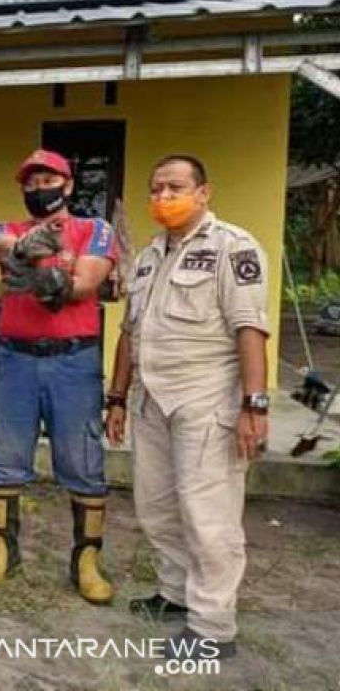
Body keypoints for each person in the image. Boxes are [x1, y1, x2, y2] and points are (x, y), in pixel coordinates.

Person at [105, 154, 269, 659]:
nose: (162, 196)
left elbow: (250, 329)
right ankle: (176, 594)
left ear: (204, 193)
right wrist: (116, 397)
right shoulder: (152, 254)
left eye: (175, 186)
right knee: (155, 507)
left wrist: (254, 405)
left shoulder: (232, 247)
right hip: (152, 398)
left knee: (208, 515)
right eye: (155, 188)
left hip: (207, 400)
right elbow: (130, 333)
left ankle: (214, 628)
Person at [0, 149, 117, 604]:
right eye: (31, 183)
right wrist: (23, 251)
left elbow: (87, 282)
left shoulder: (95, 230)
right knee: (5, 454)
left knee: (82, 461)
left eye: (48, 180)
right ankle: (3, 551)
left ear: (68, 184)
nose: (40, 189)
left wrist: (50, 282)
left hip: (74, 360)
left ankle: (86, 561)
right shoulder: (9, 228)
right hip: (16, 358)